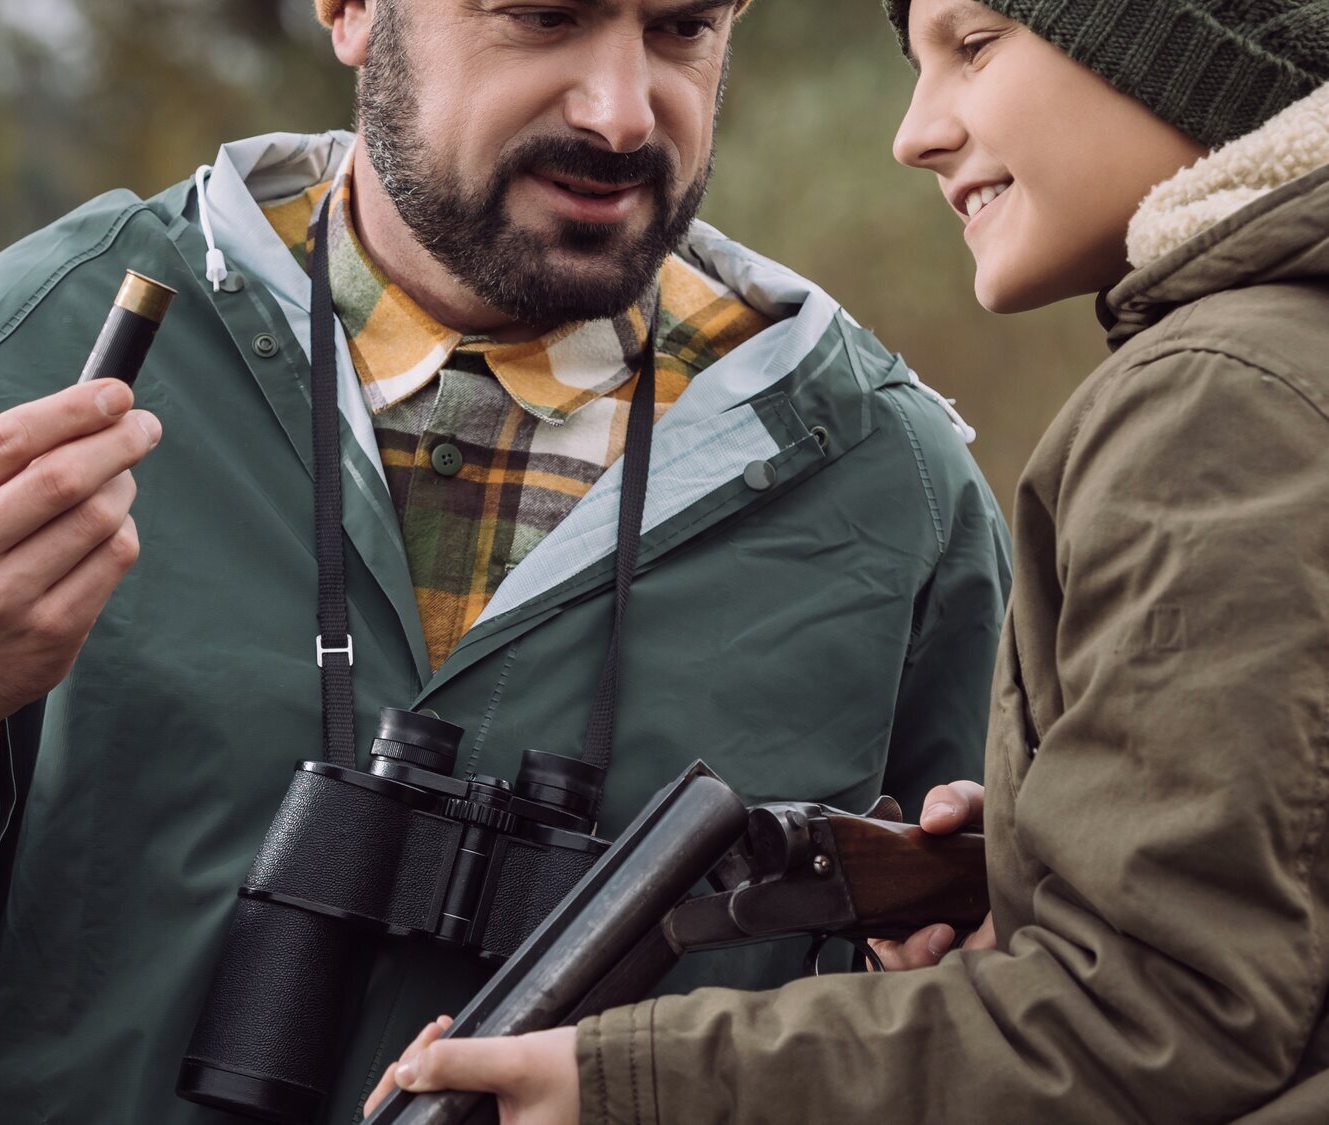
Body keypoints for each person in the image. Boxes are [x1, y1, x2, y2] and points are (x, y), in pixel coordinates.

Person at [0, 1, 1010, 1122]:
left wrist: (961, 975)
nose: (622, 114)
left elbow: (1014, 1045)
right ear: (350, 12)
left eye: (681, 28)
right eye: (544, 17)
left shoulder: (889, 485)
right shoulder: (20, 353)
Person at [367, 0, 1329, 1121]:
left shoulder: (1219, 398)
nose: (915, 131)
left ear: (1192, 54)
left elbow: (1161, 1021)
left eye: (974, 46)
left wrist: (627, 1088)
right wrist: (1037, 862)